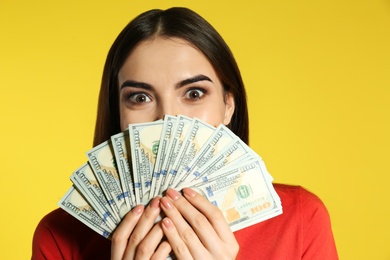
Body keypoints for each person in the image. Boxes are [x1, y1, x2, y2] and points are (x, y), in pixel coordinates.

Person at [32, 7, 338, 259]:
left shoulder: (299, 219)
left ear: (228, 105)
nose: (169, 119)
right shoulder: (61, 237)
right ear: (118, 115)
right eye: (140, 97)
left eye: (193, 93)